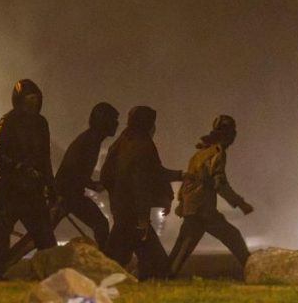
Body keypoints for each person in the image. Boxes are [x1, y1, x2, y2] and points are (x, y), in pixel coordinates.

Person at [0, 79, 58, 280]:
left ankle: (51, 275)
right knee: (2, 233)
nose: (33, 103)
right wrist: (20, 168)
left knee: (44, 233)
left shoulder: (41, 123)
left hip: (33, 188)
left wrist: (51, 186)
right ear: (19, 100)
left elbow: (44, 157)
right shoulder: (7, 121)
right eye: (29, 99)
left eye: (36, 99)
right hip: (9, 187)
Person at [100, 106, 182, 281]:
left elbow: (106, 175)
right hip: (134, 213)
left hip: (121, 208)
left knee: (126, 255)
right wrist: (143, 219)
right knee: (155, 262)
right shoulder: (144, 146)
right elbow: (145, 181)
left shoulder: (122, 142)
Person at [169, 115, 254, 277]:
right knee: (233, 236)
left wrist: (182, 203)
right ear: (227, 134)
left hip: (193, 207)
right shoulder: (217, 153)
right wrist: (240, 203)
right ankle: (253, 270)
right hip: (203, 208)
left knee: (183, 245)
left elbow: (188, 179)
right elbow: (220, 183)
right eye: (232, 132)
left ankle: (166, 275)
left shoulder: (200, 153)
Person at [55, 102, 119, 249]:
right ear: (103, 121)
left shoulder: (91, 139)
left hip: (68, 193)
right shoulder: (90, 141)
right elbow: (72, 169)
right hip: (67, 194)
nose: (116, 124)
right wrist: (92, 184)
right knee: (101, 224)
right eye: (113, 120)